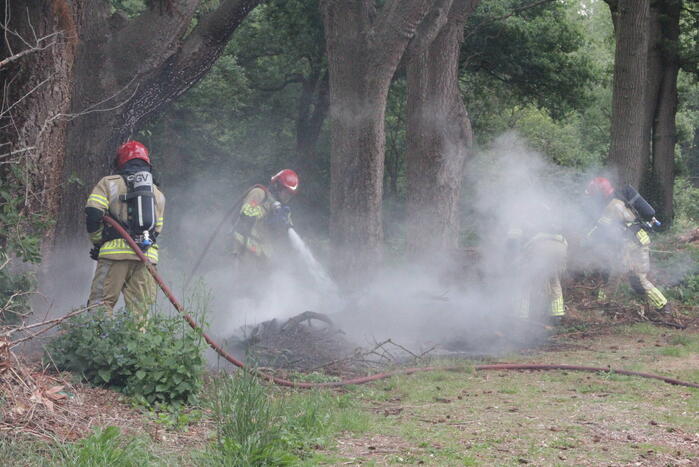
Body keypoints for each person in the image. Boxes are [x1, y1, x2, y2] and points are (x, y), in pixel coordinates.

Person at [85, 141, 165, 316]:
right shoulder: (157, 193)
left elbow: (93, 212)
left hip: (114, 255)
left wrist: (98, 241)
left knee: (100, 305)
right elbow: (157, 230)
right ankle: (137, 334)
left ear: (120, 162)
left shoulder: (108, 183)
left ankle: (100, 333)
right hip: (146, 258)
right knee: (140, 312)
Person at [585, 177, 672, 321]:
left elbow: (600, 228)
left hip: (631, 244)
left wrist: (585, 240)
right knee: (614, 275)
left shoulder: (612, 206)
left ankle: (664, 306)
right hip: (636, 241)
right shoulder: (620, 200)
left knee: (636, 278)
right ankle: (602, 305)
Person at [508, 210, 568, 324]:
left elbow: (526, 252)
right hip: (557, 264)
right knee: (554, 283)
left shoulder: (537, 238)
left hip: (540, 263)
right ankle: (557, 314)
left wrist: (516, 265)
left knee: (525, 285)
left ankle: (521, 315)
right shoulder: (562, 239)